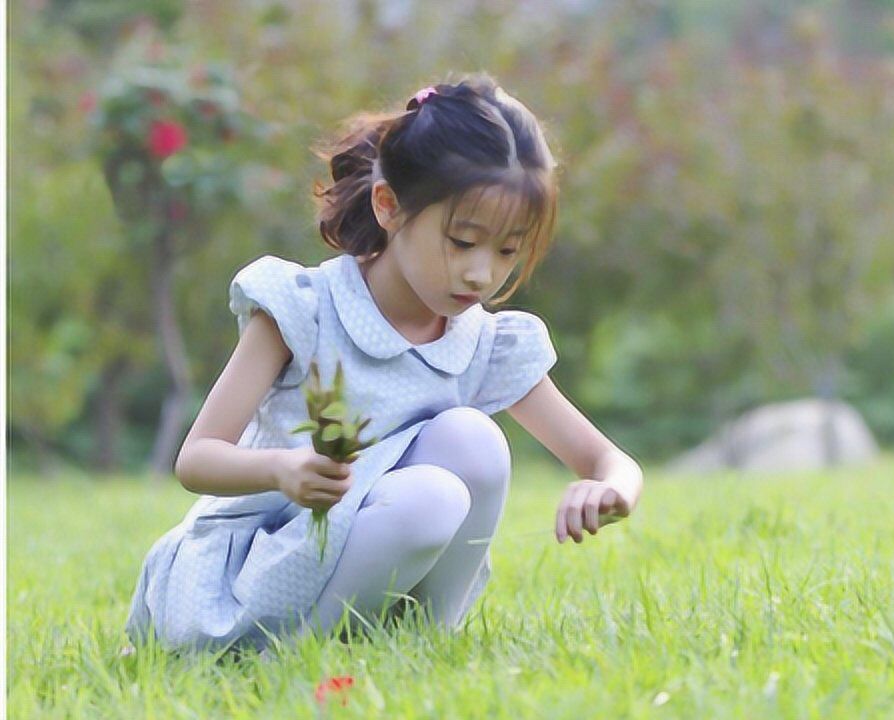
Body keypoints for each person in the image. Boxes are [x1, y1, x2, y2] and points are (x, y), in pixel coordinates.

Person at [123, 73, 644, 656]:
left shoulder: (479, 342)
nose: (481, 274)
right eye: (462, 241)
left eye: (506, 250)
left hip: (369, 553)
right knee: (432, 498)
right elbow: (196, 460)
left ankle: (423, 644)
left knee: (474, 439)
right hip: (260, 568)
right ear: (389, 206)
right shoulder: (307, 309)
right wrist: (282, 469)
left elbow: (607, 460)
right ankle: (282, 658)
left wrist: (608, 489)